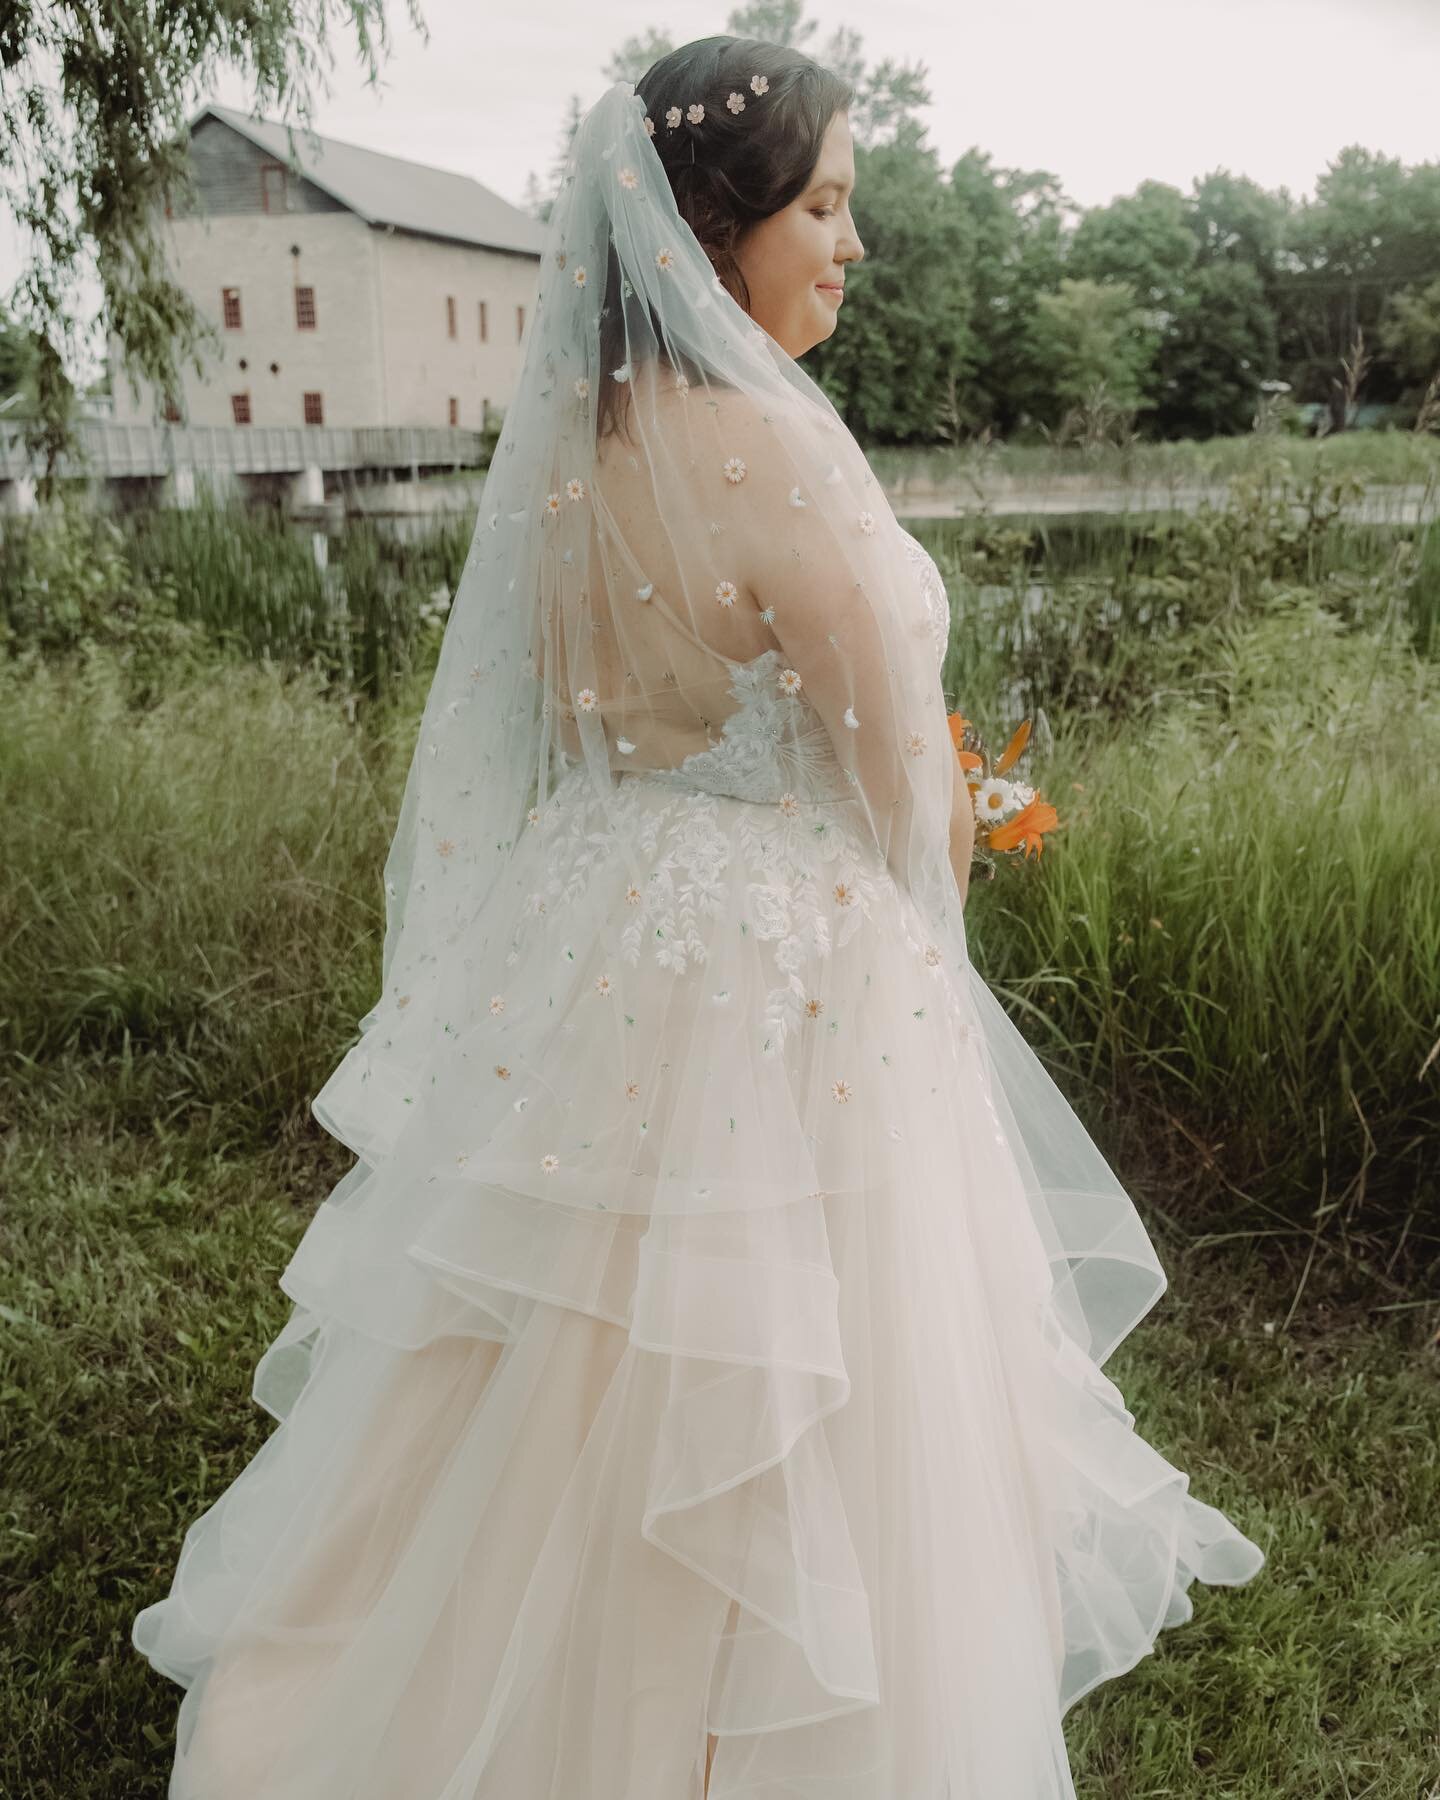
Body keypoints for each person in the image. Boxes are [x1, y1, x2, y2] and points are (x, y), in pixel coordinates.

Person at [132, 37, 1265, 1799]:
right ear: (717, 231)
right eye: (826, 206)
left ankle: (485, 1673)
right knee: (795, 1352)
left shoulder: (588, 444)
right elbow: (897, 794)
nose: (853, 245)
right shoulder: (783, 452)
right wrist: (938, 917)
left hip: (603, 921)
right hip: (787, 966)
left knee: (562, 1344)